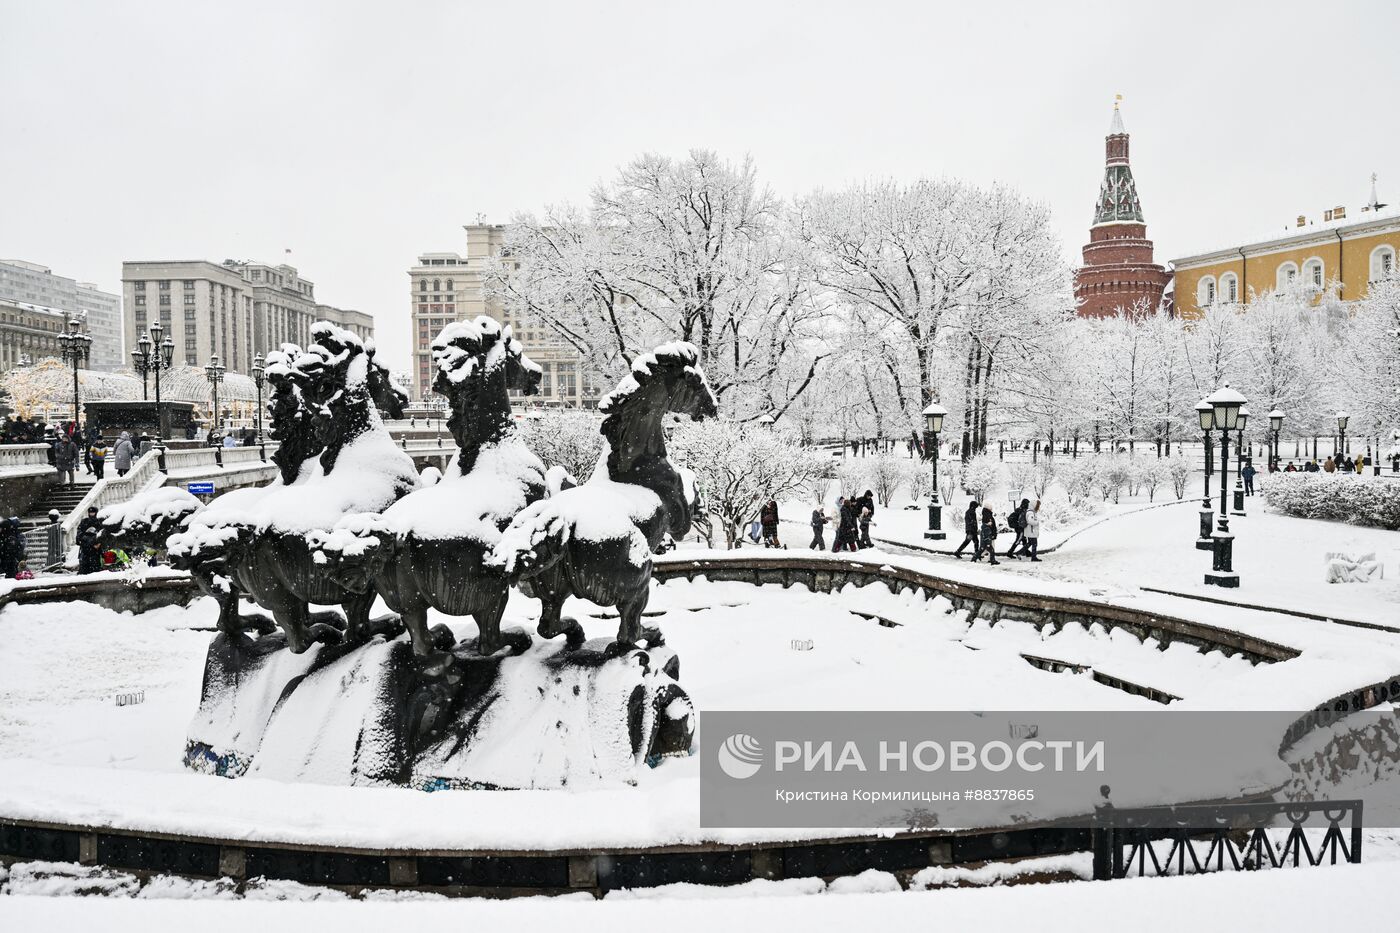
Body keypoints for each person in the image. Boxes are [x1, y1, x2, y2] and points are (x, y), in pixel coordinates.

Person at [76, 506, 104, 574]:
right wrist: (83, 539)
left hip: (95, 547)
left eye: (93, 512)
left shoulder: (99, 521)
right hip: (85, 546)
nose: (91, 514)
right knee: (84, 564)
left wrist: (99, 543)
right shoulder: (84, 521)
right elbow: (79, 532)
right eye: (90, 512)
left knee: (95, 564)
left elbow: (102, 533)